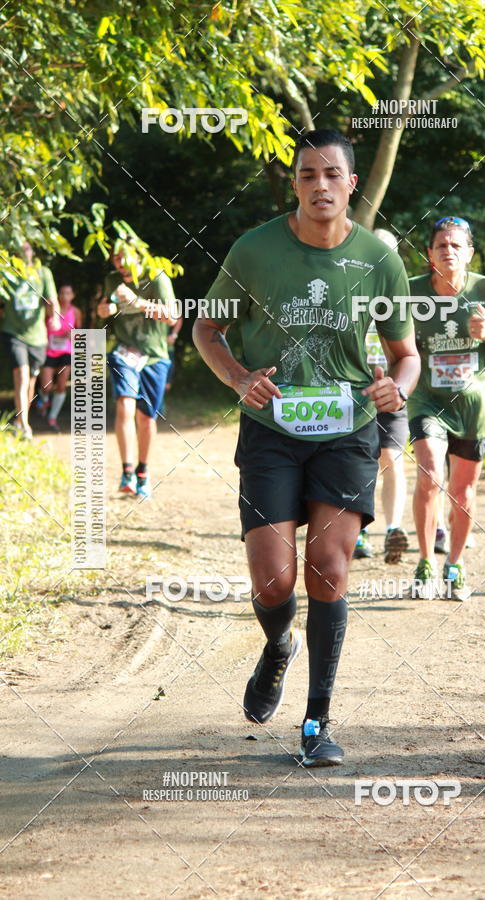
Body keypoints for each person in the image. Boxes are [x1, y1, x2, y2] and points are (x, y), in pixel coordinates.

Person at [193, 129, 420, 766]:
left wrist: (394, 393)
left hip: (347, 428)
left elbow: (406, 356)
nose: (319, 186)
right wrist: (240, 378)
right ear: (295, 184)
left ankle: (317, 722)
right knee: (273, 577)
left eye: (331, 175)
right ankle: (278, 645)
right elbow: (206, 327)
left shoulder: (379, 257)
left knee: (330, 568)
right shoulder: (255, 248)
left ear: (351, 184)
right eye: (306, 176)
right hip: (271, 428)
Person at [408, 216, 485, 600]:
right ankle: (425, 563)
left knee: (463, 490)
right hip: (428, 401)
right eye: (441, 245)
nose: (449, 251)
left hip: (474, 405)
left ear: (470, 253)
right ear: (429, 254)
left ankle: (454, 565)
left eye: (457, 246)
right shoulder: (412, 293)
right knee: (429, 474)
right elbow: (385, 341)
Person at [97, 248, 178, 499]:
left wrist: (136, 302)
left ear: (138, 255)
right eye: (115, 258)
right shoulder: (113, 279)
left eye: (123, 257)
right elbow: (102, 309)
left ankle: (143, 472)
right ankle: (127, 471)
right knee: (124, 406)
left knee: (146, 418)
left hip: (154, 356)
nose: (119, 263)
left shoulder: (157, 277)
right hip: (125, 354)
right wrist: (106, 308)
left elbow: (172, 316)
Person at [353, 228, 410, 564]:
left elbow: (412, 351)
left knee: (390, 458)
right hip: (354, 393)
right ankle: (358, 529)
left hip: (390, 392)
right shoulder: (349, 290)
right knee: (360, 463)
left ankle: (393, 529)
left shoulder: (402, 297)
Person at [0, 241, 59, 439]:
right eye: (19, 249)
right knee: (22, 375)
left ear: (32, 251)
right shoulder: (6, 273)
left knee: (31, 381)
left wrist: (55, 318)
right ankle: (25, 425)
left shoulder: (43, 273)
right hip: (13, 333)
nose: (23, 252)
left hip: (37, 337)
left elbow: (52, 299)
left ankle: (19, 420)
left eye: (26, 248)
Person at [38, 283, 82, 432]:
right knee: (47, 386)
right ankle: (43, 398)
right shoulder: (50, 310)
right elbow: (40, 326)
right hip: (49, 351)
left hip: (66, 352)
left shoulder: (76, 312)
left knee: (62, 384)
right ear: (58, 295)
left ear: (73, 295)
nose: (65, 296)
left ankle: (52, 417)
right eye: (62, 293)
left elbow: (79, 333)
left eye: (68, 293)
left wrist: (72, 335)